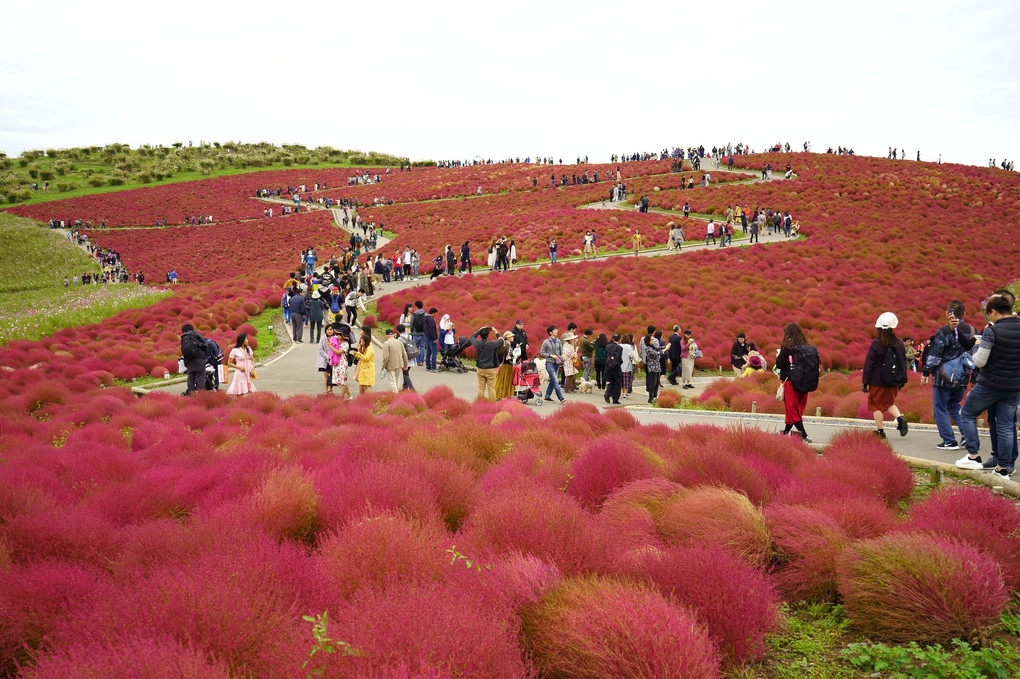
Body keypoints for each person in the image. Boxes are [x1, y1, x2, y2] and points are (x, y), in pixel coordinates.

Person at [958, 294, 1020, 478]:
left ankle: (973, 455)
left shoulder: (992, 331)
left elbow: (979, 361)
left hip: (990, 384)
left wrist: (977, 345)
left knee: (967, 414)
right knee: (1006, 425)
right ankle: (1003, 468)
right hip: (1013, 387)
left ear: (993, 312)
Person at [923, 300, 977, 453]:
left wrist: (926, 372)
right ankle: (966, 434)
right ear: (963, 313)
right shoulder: (973, 330)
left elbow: (934, 355)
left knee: (939, 409)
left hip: (944, 377)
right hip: (963, 376)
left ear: (948, 313)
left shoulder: (944, 331)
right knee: (954, 406)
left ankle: (949, 441)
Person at [862, 312, 910, 438]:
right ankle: (900, 418)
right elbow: (902, 363)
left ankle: (880, 431)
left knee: (875, 405)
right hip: (894, 380)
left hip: (877, 381)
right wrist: (902, 381)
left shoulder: (876, 343)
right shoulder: (899, 343)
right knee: (889, 402)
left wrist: (865, 382)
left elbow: (869, 364)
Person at [776, 322, 815, 442]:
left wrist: (778, 355)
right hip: (805, 383)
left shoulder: (787, 347)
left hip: (790, 382)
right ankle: (785, 433)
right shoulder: (806, 346)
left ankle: (804, 435)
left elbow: (779, 364)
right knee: (794, 410)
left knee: (792, 409)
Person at [470, 326, 505, 402]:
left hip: (480, 369)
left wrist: (479, 330)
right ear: (488, 335)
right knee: (491, 388)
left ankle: (480, 404)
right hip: (490, 369)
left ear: (481, 335)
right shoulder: (491, 344)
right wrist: (496, 331)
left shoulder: (477, 343)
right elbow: (502, 341)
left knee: (481, 388)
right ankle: (492, 406)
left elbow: (472, 337)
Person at [539, 325, 567, 404]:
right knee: (555, 380)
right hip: (549, 363)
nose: (556, 331)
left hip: (557, 363)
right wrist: (550, 355)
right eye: (554, 330)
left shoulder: (558, 341)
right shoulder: (546, 342)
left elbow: (561, 350)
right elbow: (542, 352)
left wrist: (563, 355)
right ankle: (561, 398)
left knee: (552, 380)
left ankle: (547, 396)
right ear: (550, 332)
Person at [180, 323, 208, 396]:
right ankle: (201, 395)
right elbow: (205, 345)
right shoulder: (196, 334)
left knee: (190, 377)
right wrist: (205, 357)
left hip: (188, 360)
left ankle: (191, 394)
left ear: (184, 331)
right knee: (200, 376)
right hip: (199, 359)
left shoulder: (183, 337)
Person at [380, 328, 407, 393]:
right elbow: (404, 354)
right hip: (399, 364)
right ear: (393, 335)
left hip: (390, 365)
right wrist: (405, 364)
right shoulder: (400, 342)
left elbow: (385, 357)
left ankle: (395, 393)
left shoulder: (386, 343)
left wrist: (384, 365)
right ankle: (397, 392)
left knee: (392, 381)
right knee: (397, 380)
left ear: (386, 336)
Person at [351, 326, 376, 395]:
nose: (360, 332)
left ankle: (365, 398)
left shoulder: (369, 347)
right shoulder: (366, 343)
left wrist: (357, 353)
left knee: (366, 384)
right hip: (363, 365)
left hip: (366, 366)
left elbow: (366, 357)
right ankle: (362, 397)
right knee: (362, 382)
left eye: (361, 330)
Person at [643, 329, 665, 404]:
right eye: (652, 340)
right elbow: (657, 353)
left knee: (657, 382)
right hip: (652, 367)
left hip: (657, 366)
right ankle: (650, 397)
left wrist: (666, 347)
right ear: (648, 341)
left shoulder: (652, 346)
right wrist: (665, 349)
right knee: (653, 382)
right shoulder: (648, 348)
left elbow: (659, 348)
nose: (653, 341)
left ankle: (655, 396)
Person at [393, 324, 416, 391]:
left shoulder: (399, 339)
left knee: (405, 374)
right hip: (411, 356)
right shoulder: (410, 336)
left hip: (404, 359)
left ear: (398, 331)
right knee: (406, 372)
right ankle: (405, 387)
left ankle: (411, 388)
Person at [495, 330, 515, 399]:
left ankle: (503, 395)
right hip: (505, 364)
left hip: (508, 364)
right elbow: (504, 353)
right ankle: (501, 395)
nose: (513, 337)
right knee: (504, 380)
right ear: (507, 337)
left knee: (505, 380)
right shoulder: (506, 343)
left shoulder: (509, 343)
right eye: (511, 336)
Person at [604, 333, 624, 404]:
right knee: (618, 383)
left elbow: (605, 357)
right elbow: (619, 358)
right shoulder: (620, 348)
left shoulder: (607, 346)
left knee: (611, 381)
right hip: (616, 368)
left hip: (609, 368)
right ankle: (615, 399)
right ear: (619, 339)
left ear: (612, 339)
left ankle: (608, 393)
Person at [317, 324, 337, 394]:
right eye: (328, 330)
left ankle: (330, 390)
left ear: (333, 330)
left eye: (331, 329)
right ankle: (326, 390)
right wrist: (327, 356)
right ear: (325, 331)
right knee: (326, 375)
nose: (329, 331)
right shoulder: (323, 338)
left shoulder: (336, 338)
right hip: (325, 359)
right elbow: (320, 349)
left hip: (333, 359)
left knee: (332, 375)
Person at [424, 307, 439, 371]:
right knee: (434, 353)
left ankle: (428, 366)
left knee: (428, 352)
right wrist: (434, 338)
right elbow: (431, 330)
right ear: (433, 313)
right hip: (431, 338)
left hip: (426, 337)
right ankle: (433, 367)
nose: (435, 315)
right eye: (435, 314)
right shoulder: (431, 319)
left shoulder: (425, 318)